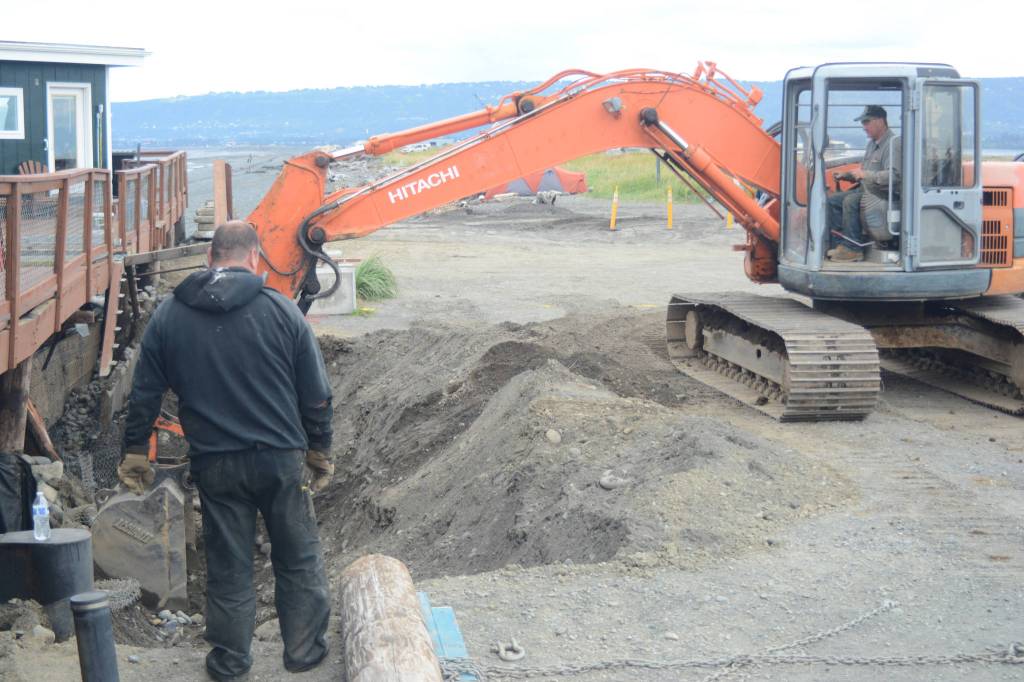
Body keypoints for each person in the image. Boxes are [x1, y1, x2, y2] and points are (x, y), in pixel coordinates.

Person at [117, 221, 335, 681]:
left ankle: (231, 664)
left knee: (230, 565)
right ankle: (304, 655)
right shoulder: (282, 311)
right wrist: (320, 448)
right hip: (279, 458)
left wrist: (136, 450)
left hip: (216, 463)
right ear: (254, 257)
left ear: (210, 256)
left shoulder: (170, 315)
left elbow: (144, 393)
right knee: (297, 557)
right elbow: (316, 394)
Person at [827, 105, 902, 262]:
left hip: (883, 194)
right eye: (863, 123)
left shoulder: (893, 144)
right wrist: (847, 176)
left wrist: (865, 174)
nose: (864, 127)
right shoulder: (871, 144)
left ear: (880, 121)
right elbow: (864, 173)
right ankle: (842, 245)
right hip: (867, 191)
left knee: (850, 201)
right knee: (831, 201)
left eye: (867, 122)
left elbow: (895, 175)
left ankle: (853, 249)